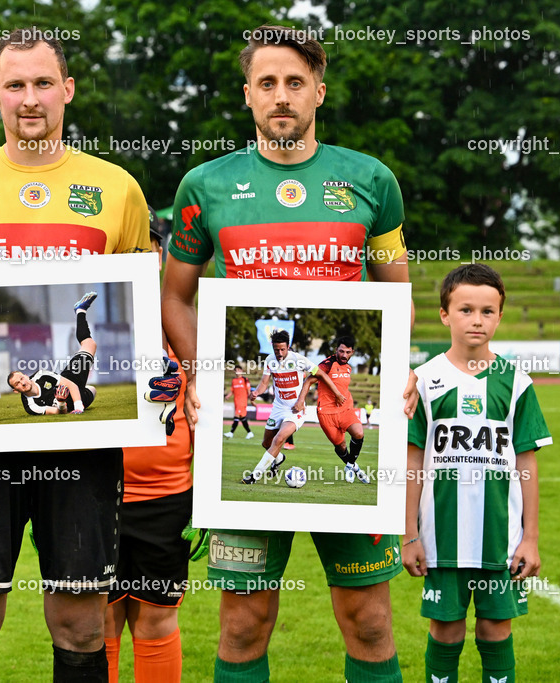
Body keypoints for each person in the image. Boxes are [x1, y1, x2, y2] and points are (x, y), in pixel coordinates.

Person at [161, 24, 411, 682]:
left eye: (295, 82)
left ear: (318, 93)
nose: (281, 96)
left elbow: (397, 295)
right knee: (244, 621)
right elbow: (176, 297)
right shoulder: (205, 185)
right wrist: (199, 373)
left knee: (369, 618)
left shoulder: (372, 180)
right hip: (232, 442)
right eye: (266, 82)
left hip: (349, 440)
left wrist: (402, 366)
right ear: (247, 94)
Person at [0, 26, 150, 681]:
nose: (30, 98)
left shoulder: (118, 189)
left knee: (81, 623)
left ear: (67, 89)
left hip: (84, 453)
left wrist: (158, 374)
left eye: (43, 82)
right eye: (15, 84)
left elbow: (148, 309)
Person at [405, 263, 552, 683]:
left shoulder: (516, 382)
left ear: (500, 316)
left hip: (501, 538)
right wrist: (410, 535)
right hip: (441, 537)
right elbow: (413, 462)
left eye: (488, 311)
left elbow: (527, 463)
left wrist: (531, 538)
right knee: (445, 630)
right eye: (466, 309)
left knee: (496, 629)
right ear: (444, 314)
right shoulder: (424, 380)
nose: (477, 320)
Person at [105, 209, 192, 683]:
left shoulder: (182, 320)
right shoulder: (88, 326)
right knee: (97, 622)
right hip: (94, 495)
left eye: (145, 245)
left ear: (160, 254)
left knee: (157, 620)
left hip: (167, 499)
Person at [241, 329, 341, 484]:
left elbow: (321, 374)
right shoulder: (270, 360)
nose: (279, 353)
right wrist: (256, 393)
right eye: (276, 350)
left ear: (288, 347)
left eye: (282, 349)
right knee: (266, 443)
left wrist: (337, 393)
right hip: (278, 408)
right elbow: (264, 383)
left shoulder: (298, 360)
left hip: (295, 410)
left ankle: (254, 476)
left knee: (279, 439)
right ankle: (279, 458)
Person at [6, 292, 99, 415]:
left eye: (21, 378)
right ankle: (82, 395)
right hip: (74, 400)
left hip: (71, 383)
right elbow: (59, 412)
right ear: (16, 391)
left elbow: (70, 384)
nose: (22, 383)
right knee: (92, 390)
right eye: (17, 384)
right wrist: (61, 402)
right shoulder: (31, 406)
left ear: (26, 376)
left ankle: (80, 310)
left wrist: (78, 406)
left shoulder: (41, 376)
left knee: (89, 344)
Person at [301, 334, 370, 483]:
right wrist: (301, 401)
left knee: (358, 433)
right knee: (341, 446)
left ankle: (349, 465)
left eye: (348, 352)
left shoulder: (349, 368)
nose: (344, 355)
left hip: (345, 409)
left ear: (352, 352)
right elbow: (308, 381)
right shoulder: (327, 364)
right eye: (341, 351)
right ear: (336, 350)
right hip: (326, 413)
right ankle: (355, 468)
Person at [224, 365, 253, 439]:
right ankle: (249, 432)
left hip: (242, 401)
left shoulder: (245, 379)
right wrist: (228, 396)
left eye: (238, 370)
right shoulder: (234, 380)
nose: (237, 371)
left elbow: (249, 390)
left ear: (241, 371)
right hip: (236, 401)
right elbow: (232, 390)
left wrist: (251, 399)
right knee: (242, 417)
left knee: (236, 415)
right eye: (236, 370)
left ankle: (231, 433)